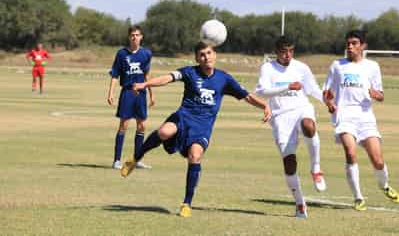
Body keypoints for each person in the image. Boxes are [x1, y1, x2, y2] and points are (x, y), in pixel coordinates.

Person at [120, 41, 271, 218]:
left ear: (215, 55)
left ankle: (187, 203)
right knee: (164, 132)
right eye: (202, 54)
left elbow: (247, 96)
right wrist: (146, 85)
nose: (206, 57)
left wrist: (264, 105)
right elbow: (168, 78)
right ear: (197, 58)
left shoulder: (224, 79)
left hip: (203, 127)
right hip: (183, 118)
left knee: (195, 156)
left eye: (208, 53)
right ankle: (136, 158)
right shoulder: (189, 72)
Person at [323, 30, 399, 211]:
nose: (350, 46)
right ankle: (358, 198)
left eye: (354, 43)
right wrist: (329, 103)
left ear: (363, 46)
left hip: (366, 118)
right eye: (348, 43)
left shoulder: (372, 66)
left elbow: (380, 95)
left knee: (378, 161)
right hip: (344, 116)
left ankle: (384, 186)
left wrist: (376, 94)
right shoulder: (337, 66)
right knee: (350, 153)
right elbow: (327, 93)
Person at [255, 35, 326, 218]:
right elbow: (262, 91)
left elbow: (312, 89)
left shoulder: (301, 68)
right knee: (289, 163)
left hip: (301, 108)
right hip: (280, 117)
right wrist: (287, 87)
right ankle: (300, 204)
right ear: (276, 52)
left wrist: (328, 101)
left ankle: (316, 169)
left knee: (309, 126)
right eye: (283, 51)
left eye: (291, 51)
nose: (287, 55)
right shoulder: (268, 68)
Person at [107, 25, 154, 170]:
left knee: (142, 125)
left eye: (137, 35)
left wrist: (152, 94)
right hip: (127, 92)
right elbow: (115, 75)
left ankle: (137, 159)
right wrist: (111, 93)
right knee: (124, 125)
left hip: (141, 93)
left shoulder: (146, 54)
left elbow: (147, 75)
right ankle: (117, 160)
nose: (135, 37)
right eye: (132, 35)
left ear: (141, 37)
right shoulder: (122, 54)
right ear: (129, 37)